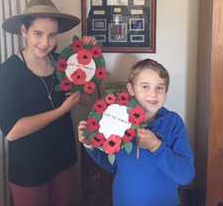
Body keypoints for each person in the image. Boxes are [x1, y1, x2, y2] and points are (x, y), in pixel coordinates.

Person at [0, 0, 95, 206]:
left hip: (63, 160)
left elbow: (87, 100)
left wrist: (88, 61)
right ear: (24, 31)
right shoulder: (9, 71)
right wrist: (61, 110)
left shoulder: (62, 63)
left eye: (52, 35)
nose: (45, 43)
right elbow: (11, 131)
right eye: (38, 34)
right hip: (29, 168)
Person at [78, 58, 195, 206]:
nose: (153, 94)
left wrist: (156, 147)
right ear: (131, 89)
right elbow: (113, 166)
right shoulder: (118, 121)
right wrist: (90, 146)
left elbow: (186, 175)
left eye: (160, 87)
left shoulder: (173, 123)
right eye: (145, 86)